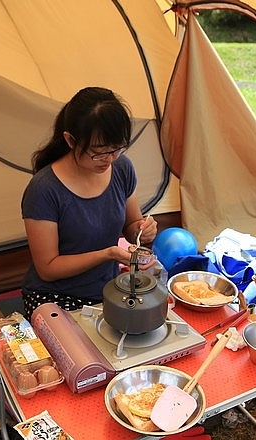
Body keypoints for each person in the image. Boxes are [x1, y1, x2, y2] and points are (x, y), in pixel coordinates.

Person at [20, 86, 157, 319]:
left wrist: (143, 231)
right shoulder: (44, 189)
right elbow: (48, 268)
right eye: (98, 152)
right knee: (81, 353)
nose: (109, 159)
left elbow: (132, 223)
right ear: (70, 140)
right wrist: (108, 254)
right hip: (55, 296)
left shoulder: (121, 168)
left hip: (108, 287)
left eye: (116, 149)